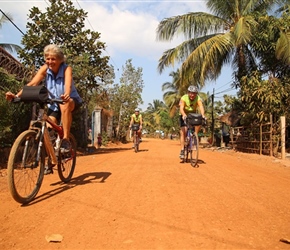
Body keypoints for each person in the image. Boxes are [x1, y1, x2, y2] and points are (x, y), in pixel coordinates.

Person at [5, 44, 82, 173]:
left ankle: (66, 140)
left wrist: (66, 94)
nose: (50, 62)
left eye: (53, 59)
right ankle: (52, 159)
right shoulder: (45, 69)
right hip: (54, 103)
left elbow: (67, 84)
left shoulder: (66, 69)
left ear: (60, 60)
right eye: (47, 59)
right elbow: (32, 83)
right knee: (47, 128)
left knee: (65, 104)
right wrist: (16, 96)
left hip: (70, 101)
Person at [179, 85, 206, 159]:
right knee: (183, 131)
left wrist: (203, 115)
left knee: (199, 121)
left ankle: (195, 137)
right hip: (183, 114)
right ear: (188, 93)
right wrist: (184, 115)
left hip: (192, 115)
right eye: (190, 93)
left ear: (196, 94)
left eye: (194, 93)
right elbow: (181, 108)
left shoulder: (198, 98)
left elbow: (201, 107)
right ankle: (182, 150)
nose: (192, 95)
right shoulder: (183, 98)